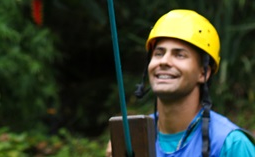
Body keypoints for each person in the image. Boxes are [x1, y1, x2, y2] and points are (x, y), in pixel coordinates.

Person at [107, 9, 255, 157]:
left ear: (203, 73)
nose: (164, 61)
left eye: (179, 55)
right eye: (159, 53)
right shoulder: (133, 138)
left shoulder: (231, 144)